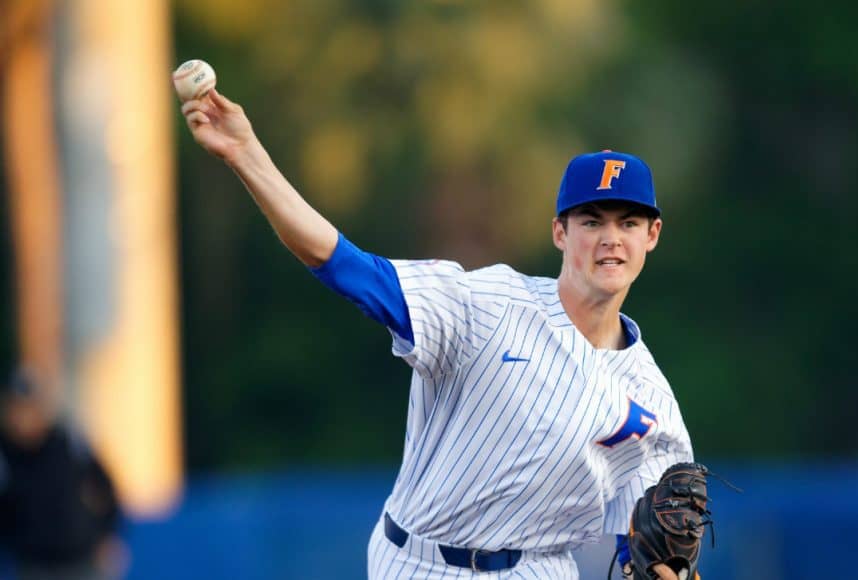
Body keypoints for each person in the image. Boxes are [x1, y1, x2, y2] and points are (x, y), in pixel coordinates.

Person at [181, 88, 694, 579]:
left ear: (652, 235)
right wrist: (246, 154)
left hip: (539, 568)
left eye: (628, 223)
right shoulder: (485, 304)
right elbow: (347, 267)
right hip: (418, 562)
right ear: (560, 232)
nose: (610, 239)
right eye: (592, 221)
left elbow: (653, 556)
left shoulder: (654, 406)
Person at [0, 367, 125, 580]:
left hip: (82, 561)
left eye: (29, 407)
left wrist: (108, 534)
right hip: (34, 567)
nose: (23, 417)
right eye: (17, 408)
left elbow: (106, 487)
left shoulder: (67, 441)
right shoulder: (6, 454)